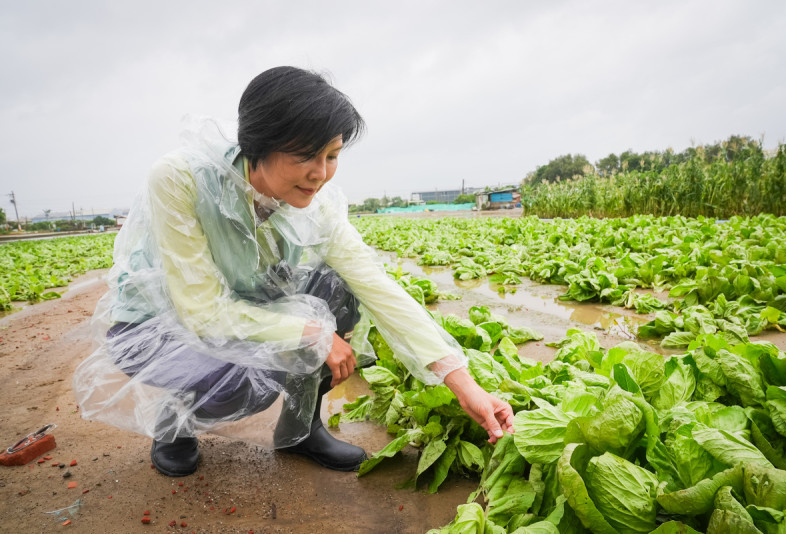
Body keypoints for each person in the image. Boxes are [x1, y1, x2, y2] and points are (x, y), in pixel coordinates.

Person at [73, 66, 514, 477]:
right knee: (245, 383)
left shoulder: (316, 208)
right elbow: (202, 312)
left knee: (338, 288)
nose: (320, 173)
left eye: (333, 155)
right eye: (306, 155)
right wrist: (314, 335)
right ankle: (176, 418)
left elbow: (380, 289)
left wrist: (463, 384)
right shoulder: (180, 179)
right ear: (259, 144)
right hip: (155, 327)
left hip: (243, 309)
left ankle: (302, 430)